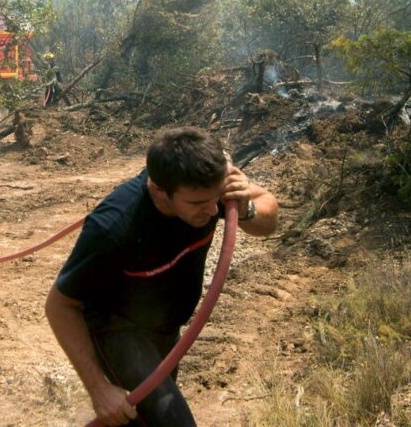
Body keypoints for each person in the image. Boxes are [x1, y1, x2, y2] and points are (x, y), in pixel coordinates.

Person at [46, 127, 278, 426]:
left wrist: (246, 210)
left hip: (165, 328)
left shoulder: (208, 186)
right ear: (159, 190)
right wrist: (99, 390)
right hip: (117, 328)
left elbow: (269, 216)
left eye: (215, 199)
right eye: (198, 204)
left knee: (136, 419)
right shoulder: (113, 226)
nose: (212, 211)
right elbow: (58, 305)